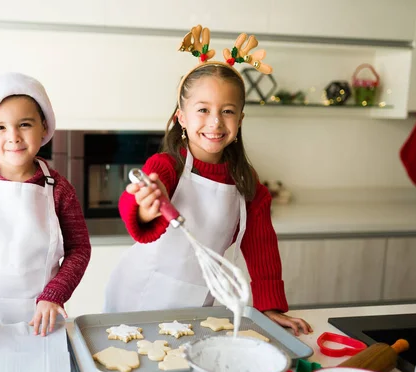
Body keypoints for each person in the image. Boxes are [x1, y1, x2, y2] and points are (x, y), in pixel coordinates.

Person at [104, 26, 311, 335]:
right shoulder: (167, 165)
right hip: (141, 297)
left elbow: (261, 243)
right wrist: (146, 207)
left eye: (227, 111)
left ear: (240, 120)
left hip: (198, 301)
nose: (215, 122)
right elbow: (135, 201)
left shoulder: (245, 180)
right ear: (181, 118)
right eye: (203, 110)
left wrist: (270, 306)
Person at [0, 72, 91, 346]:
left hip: (43, 315)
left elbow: (79, 249)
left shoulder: (59, 189)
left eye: (24, 124)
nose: (13, 137)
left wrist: (54, 294)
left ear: (43, 127)